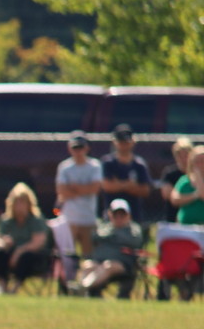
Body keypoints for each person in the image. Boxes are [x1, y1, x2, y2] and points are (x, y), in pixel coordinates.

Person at [0, 182, 49, 294]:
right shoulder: (7, 220)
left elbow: (38, 242)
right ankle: (3, 287)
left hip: (33, 256)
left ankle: (15, 289)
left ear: (29, 204)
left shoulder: (36, 220)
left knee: (26, 258)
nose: (19, 206)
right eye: (17, 202)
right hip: (11, 253)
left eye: (22, 202)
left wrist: (19, 252)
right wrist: (3, 243)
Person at [75, 199, 144, 298]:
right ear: (110, 215)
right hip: (99, 261)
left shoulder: (133, 229)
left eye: (122, 215)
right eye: (116, 215)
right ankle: (83, 291)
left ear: (128, 215)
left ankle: (83, 287)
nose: (119, 218)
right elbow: (94, 236)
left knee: (108, 266)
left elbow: (135, 241)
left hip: (123, 265)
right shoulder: (105, 227)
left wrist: (114, 235)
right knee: (88, 265)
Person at [54, 130, 102, 258]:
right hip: (69, 219)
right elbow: (61, 190)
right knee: (67, 255)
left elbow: (95, 189)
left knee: (89, 256)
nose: (78, 151)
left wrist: (73, 188)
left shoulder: (95, 165)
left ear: (87, 148)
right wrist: (85, 189)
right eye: (75, 148)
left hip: (88, 218)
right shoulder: (64, 167)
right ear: (69, 148)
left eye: (81, 148)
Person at [100, 123, 151, 226]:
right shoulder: (108, 163)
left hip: (134, 215)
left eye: (126, 142)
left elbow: (145, 190)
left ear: (133, 142)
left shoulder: (139, 164)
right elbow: (107, 186)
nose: (124, 146)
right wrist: (130, 185)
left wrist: (118, 184)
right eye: (121, 142)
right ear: (115, 142)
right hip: (112, 217)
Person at [159, 137, 193, 224]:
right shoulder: (170, 173)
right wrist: (195, 196)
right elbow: (169, 196)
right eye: (180, 155)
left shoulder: (197, 175)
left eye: (186, 155)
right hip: (172, 218)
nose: (183, 159)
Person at [170, 145, 204, 225]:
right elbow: (175, 199)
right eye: (197, 161)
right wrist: (195, 195)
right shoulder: (184, 180)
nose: (200, 164)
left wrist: (199, 178)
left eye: (202, 161)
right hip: (186, 226)